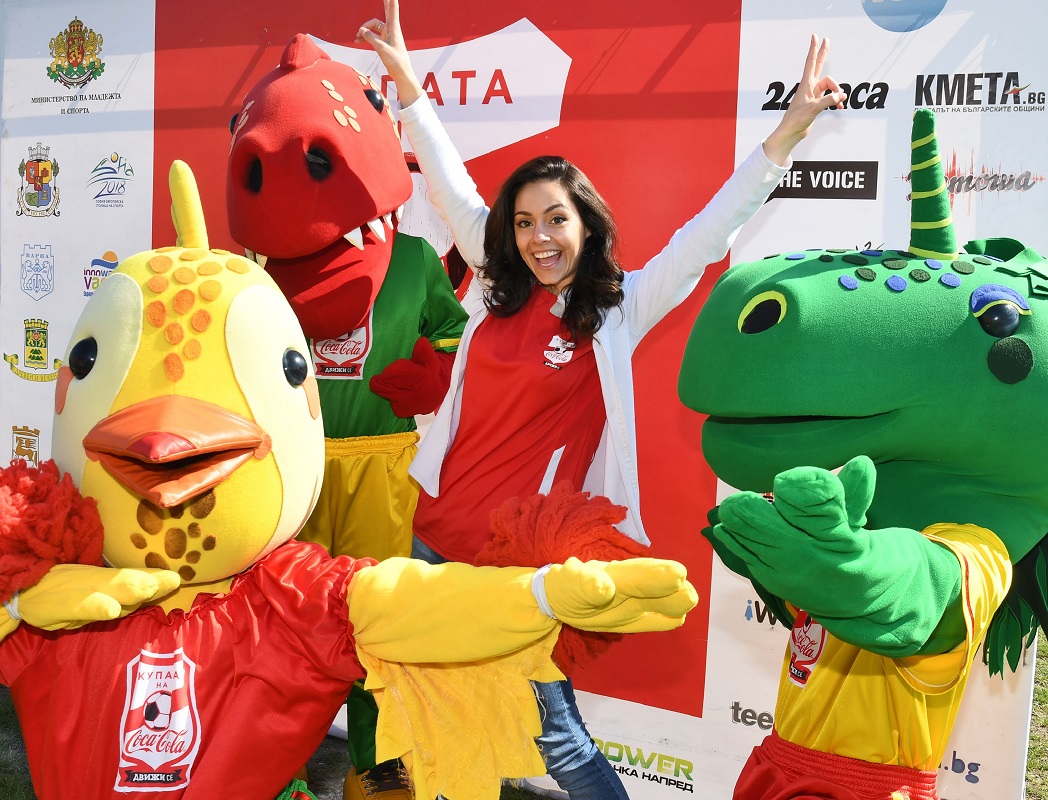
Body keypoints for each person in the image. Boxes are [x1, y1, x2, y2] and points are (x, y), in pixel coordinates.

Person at [357, 2, 845, 798]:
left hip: (518, 563)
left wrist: (786, 135)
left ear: (585, 225)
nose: (539, 237)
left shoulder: (617, 311)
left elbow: (705, 236)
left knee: (559, 739)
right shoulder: (496, 286)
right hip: (434, 537)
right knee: (433, 720)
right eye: (524, 223)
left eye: (556, 219)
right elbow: (449, 186)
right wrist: (409, 84)